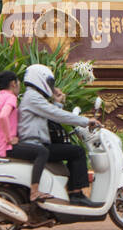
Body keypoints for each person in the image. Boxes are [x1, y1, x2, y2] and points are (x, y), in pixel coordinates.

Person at [17, 64, 97, 206]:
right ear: (40, 80)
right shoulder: (33, 98)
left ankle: (72, 192)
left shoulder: (33, 97)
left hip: (38, 143)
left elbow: (50, 113)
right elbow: (56, 114)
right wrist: (86, 121)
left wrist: (57, 102)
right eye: (50, 83)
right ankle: (76, 194)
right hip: (36, 145)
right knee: (77, 152)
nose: (51, 86)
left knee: (71, 149)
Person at [0, 70, 51, 202]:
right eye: (18, 82)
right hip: (6, 147)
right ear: (13, 83)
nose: (20, 85)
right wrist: (9, 139)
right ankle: (35, 191)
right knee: (42, 152)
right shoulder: (10, 98)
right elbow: (3, 116)